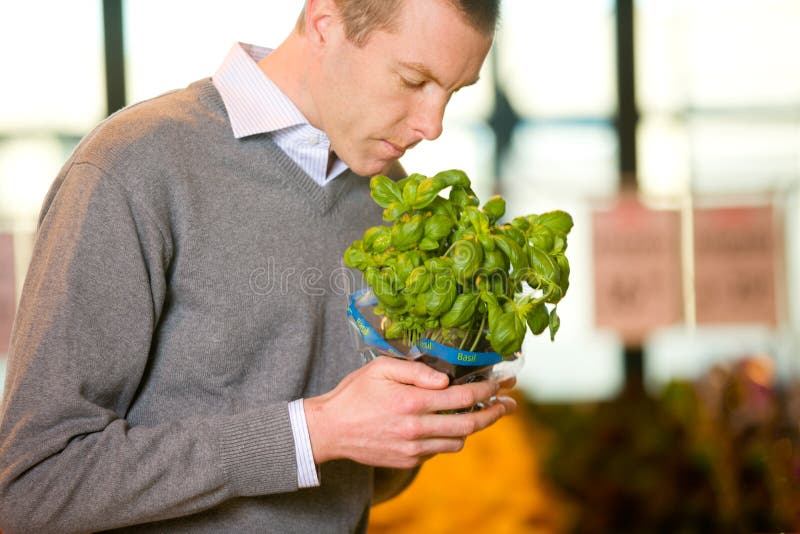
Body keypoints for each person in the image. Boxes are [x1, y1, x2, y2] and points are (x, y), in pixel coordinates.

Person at [0, 0, 514, 531]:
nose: (433, 125)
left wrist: (419, 418)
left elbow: (351, 488)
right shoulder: (133, 167)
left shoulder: (395, 201)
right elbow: (30, 489)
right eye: (413, 80)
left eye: (453, 91)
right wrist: (312, 432)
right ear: (325, 24)